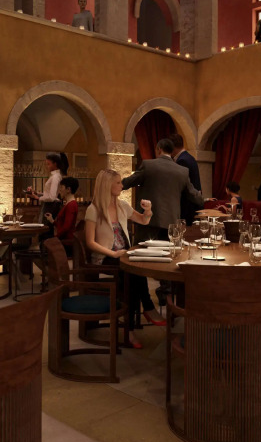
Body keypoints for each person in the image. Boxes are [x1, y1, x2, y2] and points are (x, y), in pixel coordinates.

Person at [84, 169, 162, 346]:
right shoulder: (93, 209)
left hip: (122, 255)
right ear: (107, 185)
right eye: (118, 182)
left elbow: (143, 220)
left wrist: (148, 210)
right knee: (133, 275)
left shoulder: (122, 206)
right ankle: (145, 311)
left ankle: (132, 327)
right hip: (105, 257)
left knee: (135, 273)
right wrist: (112, 253)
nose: (122, 185)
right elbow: (90, 242)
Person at [122, 138, 203, 240]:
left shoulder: (148, 165)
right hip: (171, 222)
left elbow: (128, 182)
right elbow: (194, 196)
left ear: (159, 149)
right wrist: (204, 200)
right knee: (168, 250)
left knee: (142, 249)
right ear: (171, 151)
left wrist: (114, 185)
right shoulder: (182, 171)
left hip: (148, 221)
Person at [169, 132, 201, 225]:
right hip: (192, 203)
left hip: (186, 205)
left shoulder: (182, 160)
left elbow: (182, 185)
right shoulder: (189, 157)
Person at [26, 152, 67, 221]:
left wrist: (37, 198)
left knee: (45, 226)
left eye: (48, 164)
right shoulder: (55, 176)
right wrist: (36, 193)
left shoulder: (55, 177)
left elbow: (52, 197)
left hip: (50, 206)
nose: (47, 166)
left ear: (55, 164)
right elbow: (49, 194)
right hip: (49, 205)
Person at [44, 176, 79, 244]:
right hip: (63, 239)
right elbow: (63, 226)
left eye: (61, 187)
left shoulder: (71, 205)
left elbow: (66, 228)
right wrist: (52, 221)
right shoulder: (69, 204)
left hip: (66, 241)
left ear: (68, 189)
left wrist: (55, 238)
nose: (59, 190)